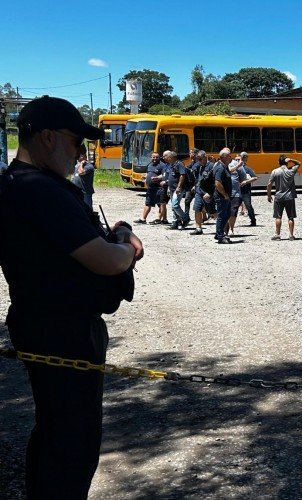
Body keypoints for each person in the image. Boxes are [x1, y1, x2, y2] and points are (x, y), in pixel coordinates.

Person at [0, 96, 144, 498]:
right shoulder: (38, 190)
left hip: (48, 324)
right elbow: (106, 262)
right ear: (47, 137)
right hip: (62, 330)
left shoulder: (23, 184)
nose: (81, 152)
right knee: (72, 444)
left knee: (56, 432)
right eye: (76, 141)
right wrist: (125, 242)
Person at [267, 155, 301, 240]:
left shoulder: (275, 171)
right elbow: (299, 163)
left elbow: (269, 184)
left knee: (278, 217)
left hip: (278, 196)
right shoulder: (291, 171)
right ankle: (291, 235)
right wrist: (291, 160)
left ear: (278, 162)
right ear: (287, 162)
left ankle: (277, 235)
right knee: (291, 217)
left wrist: (269, 195)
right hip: (289, 196)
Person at [134, 152, 166, 224]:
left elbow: (165, 175)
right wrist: (145, 177)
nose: (154, 159)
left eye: (156, 157)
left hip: (159, 188)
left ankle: (160, 219)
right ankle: (143, 219)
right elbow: (148, 173)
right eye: (153, 157)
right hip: (150, 188)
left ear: (159, 157)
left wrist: (157, 178)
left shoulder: (162, 165)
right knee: (148, 203)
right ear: (151, 157)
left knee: (161, 204)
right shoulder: (149, 165)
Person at [212, 148, 233, 244]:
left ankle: (218, 233)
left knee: (227, 214)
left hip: (226, 196)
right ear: (224, 157)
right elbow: (217, 183)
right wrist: (224, 194)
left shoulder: (225, 166)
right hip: (222, 196)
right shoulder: (220, 168)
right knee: (222, 215)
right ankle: (220, 236)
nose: (231, 157)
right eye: (229, 156)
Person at [190, 150, 213, 235]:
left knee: (213, 212)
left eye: (200, 159)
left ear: (205, 157)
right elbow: (197, 178)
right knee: (197, 209)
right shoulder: (198, 166)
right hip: (199, 192)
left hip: (208, 193)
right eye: (197, 159)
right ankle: (198, 228)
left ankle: (224, 227)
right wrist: (195, 186)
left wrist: (210, 193)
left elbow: (215, 182)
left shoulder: (211, 166)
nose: (199, 161)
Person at [164, 151, 190, 230]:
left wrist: (179, 187)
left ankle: (185, 218)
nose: (165, 158)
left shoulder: (179, 164)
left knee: (175, 205)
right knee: (173, 207)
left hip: (178, 189)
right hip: (172, 189)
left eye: (166, 156)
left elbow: (182, 175)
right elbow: (170, 177)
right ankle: (175, 222)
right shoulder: (171, 165)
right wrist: (169, 187)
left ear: (171, 157)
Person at [238, 152, 258, 226]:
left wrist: (246, 181)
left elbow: (255, 177)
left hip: (245, 191)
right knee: (233, 207)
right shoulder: (234, 169)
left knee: (248, 206)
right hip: (237, 191)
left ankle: (253, 220)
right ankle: (230, 224)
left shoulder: (247, 169)